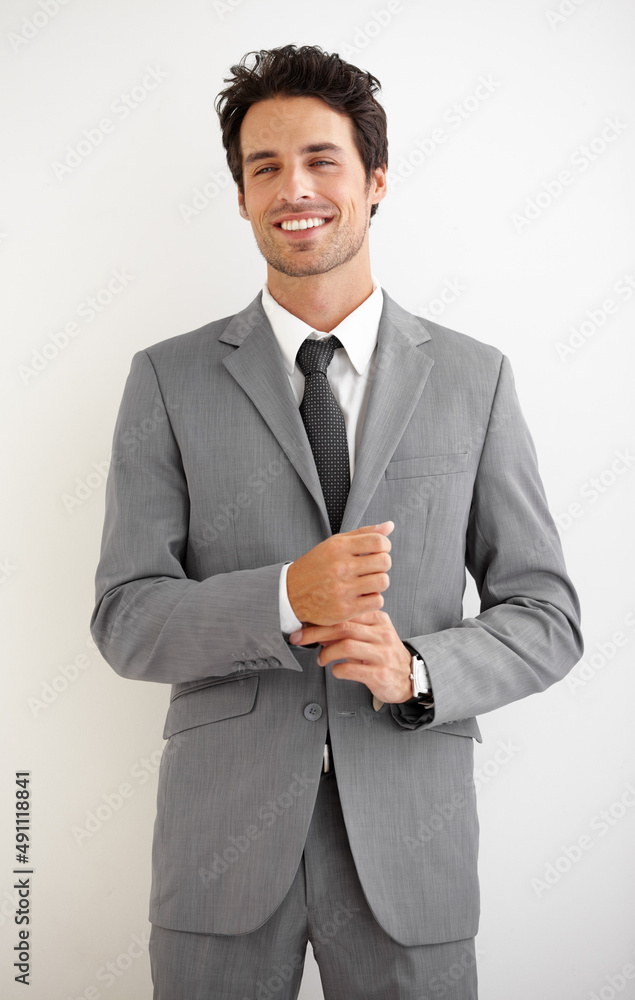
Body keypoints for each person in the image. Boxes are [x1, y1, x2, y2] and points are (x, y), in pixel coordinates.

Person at [91, 43, 583, 1000]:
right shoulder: (167, 378)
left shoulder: (473, 378)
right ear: (239, 197)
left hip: (412, 853)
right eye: (263, 167)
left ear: (376, 179)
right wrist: (280, 598)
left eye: (321, 159)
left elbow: (547, 617)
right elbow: (125, 616)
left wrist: (419, 671)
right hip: (218, 859)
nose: (292, 188)